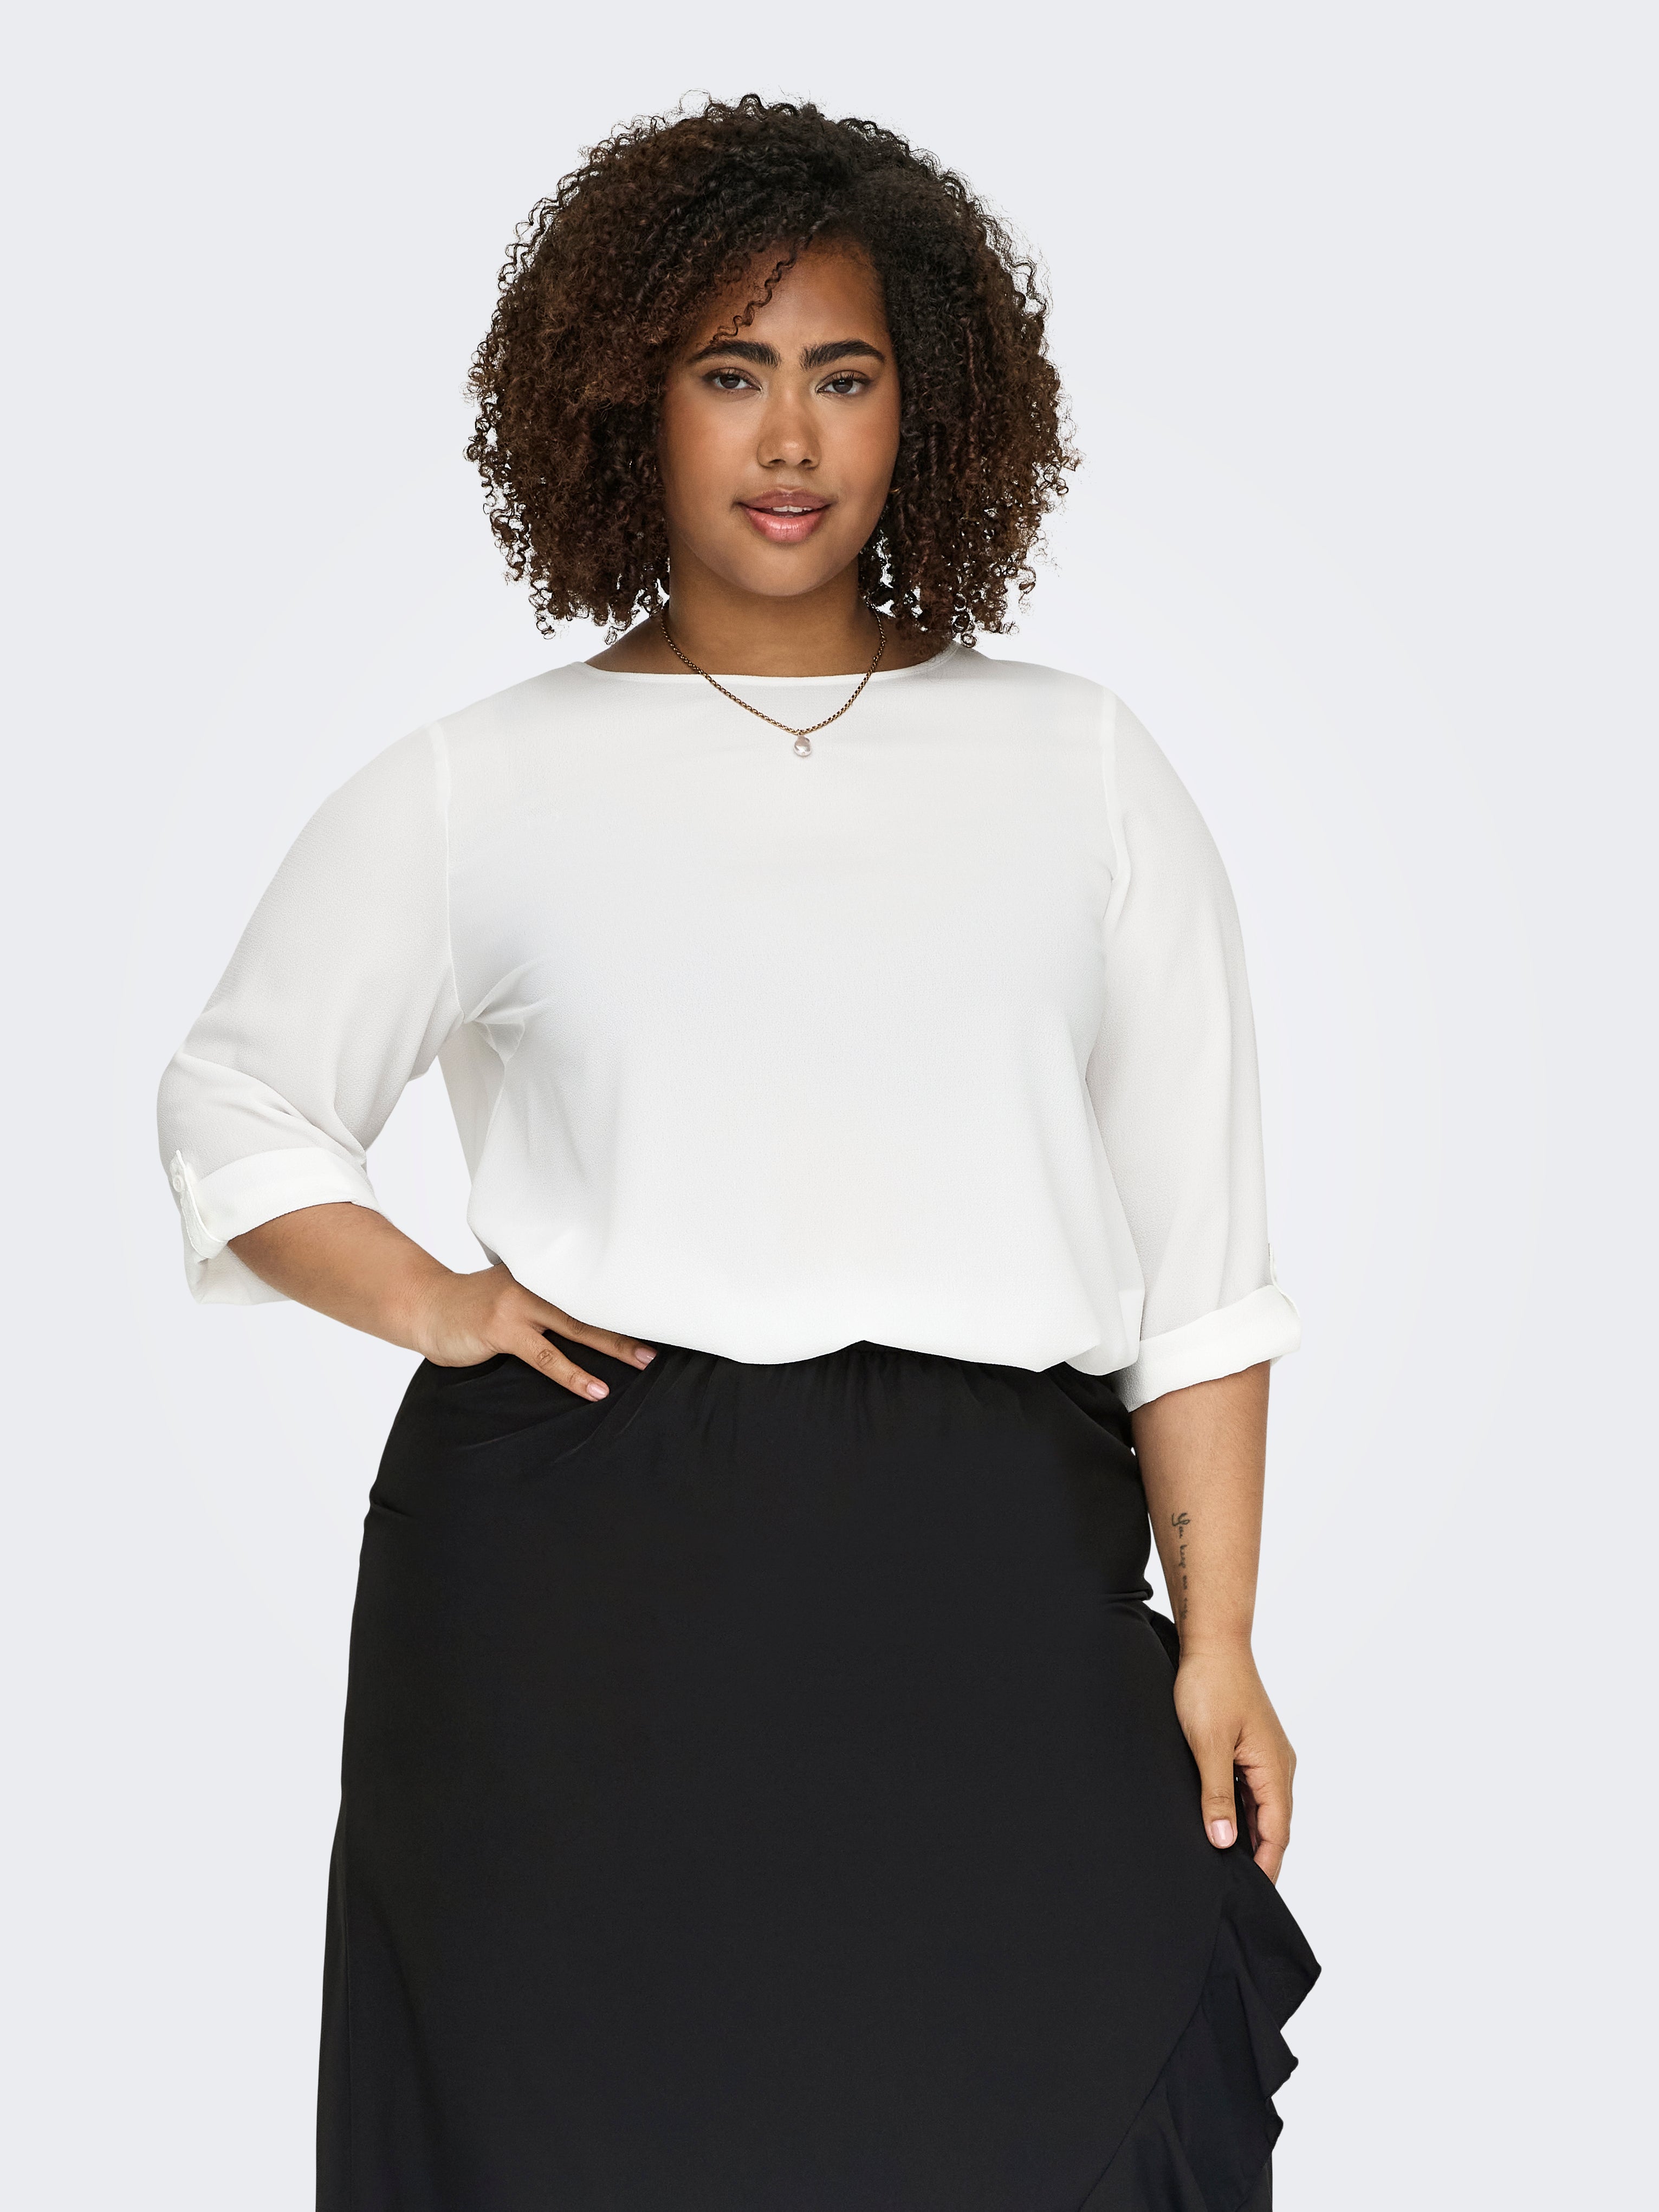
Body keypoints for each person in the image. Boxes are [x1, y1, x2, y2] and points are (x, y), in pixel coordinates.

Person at [158, 94, 1318, 2212]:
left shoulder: (1081, 763)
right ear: (630, 402)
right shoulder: (482, 784)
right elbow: (236, 1102)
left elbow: (1200, 1253)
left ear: (925, 406)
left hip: (991, 1587)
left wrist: (1221, 1632)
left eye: (843, 374)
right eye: (730, 371)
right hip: (577, 1611)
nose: (789, 438)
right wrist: (436, 1298)